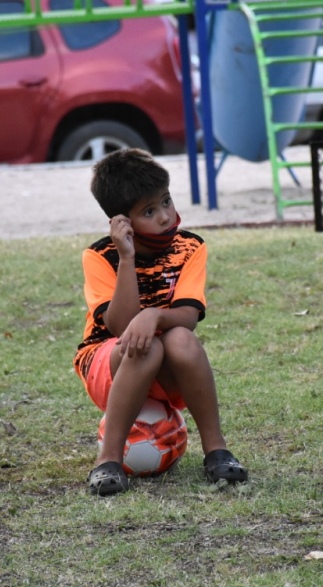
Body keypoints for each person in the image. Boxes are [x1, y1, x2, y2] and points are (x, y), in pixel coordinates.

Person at [74, 148, 248, 496]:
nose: (166, 216)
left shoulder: (189, 247)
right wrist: (127, 257)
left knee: (181, 338)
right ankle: (107, 459)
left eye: (166, 202)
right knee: (147, 345)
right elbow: (121, 326)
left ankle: (217, 450)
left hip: (165, 364)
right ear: (122, 222)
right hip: (108, 365)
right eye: (149, 212)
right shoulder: (100, 256)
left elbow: (188, 316)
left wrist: (153, 314)